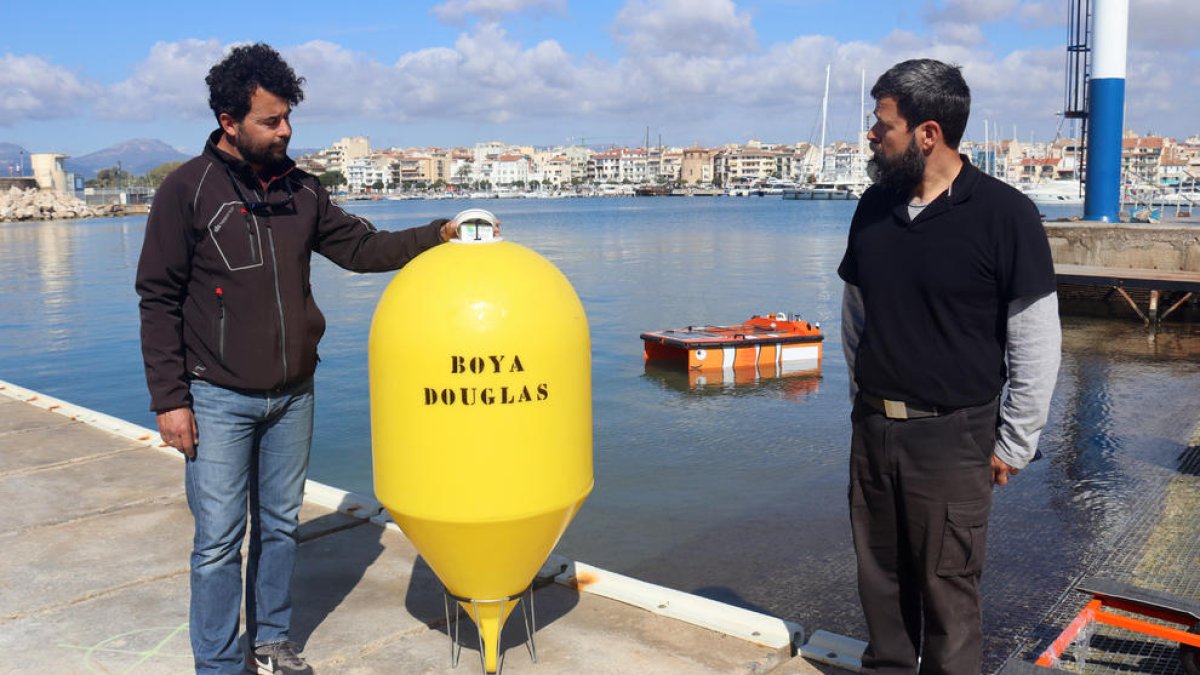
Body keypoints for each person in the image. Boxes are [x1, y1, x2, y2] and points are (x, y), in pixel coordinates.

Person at [136, 43, 468, 675]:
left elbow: (363, 249)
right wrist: (170, 400)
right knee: (217, 542)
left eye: (287, 117)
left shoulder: (303, 191)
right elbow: (158, 299)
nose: (285, 130)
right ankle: (216, 663)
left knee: (281, 527)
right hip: (216, 396)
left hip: (293, 394)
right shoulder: (188, 190)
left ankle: (270, 644)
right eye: (271, 120)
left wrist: (439, 234)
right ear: (229, 122)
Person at [838, 59, 1061, 674]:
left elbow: (1035, 338)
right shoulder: (873, 207)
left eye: (882, 123)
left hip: (954, 435)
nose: (871, 135)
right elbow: (855, 316)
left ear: (927, 133)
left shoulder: (1005, 214)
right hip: (874, 429)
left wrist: (1015, 443)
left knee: (947, 590)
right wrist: (866, 400)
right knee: (880, 580)